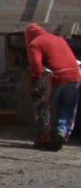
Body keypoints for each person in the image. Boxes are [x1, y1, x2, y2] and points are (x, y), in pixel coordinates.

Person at [24, 22, 78, 150]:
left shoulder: (35, 43)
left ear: (28, 36)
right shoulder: (59, 39)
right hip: (75, 77)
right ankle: (60, 132)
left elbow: (36, 65)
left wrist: (36, 83)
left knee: (45, 108)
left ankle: (44, 138)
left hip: (57, 78)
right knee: (66, 107)